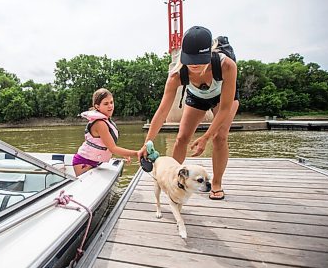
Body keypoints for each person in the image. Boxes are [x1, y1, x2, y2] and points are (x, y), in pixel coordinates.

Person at [138, 26, 239, 200]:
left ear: (209, 53)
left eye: (199, 60)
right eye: (189, 60)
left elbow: (224, 109)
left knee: (220, 137)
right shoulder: (176, 75)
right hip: (197, 96)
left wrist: (206, 137)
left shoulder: (226, 65)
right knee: (181, 138)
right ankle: (174, 180)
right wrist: (147, 143)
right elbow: (162, 111)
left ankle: (216, 183)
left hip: (222, 98)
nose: (193, 65)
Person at [73, 88, 139, 176]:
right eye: (106, 103)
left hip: (95, 161)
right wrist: (137, 153)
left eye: (111, 102)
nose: (110, 106)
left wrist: (123, 154)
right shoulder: (100, 123)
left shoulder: (105, 121)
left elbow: (108, 145)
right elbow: (112, 148)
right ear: (97, 106)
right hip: (84, 163)